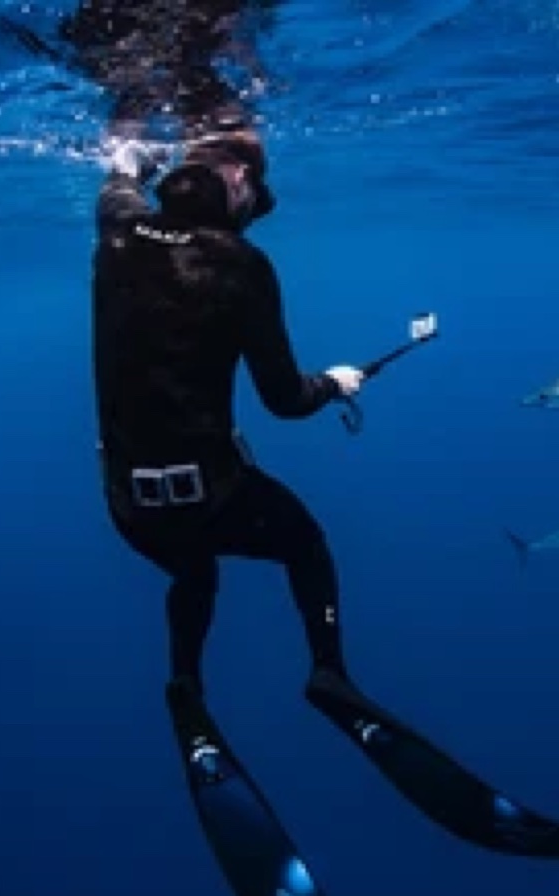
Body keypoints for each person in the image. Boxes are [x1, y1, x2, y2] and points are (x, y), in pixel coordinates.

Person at [93, 126, 365, 702]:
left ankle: (184, 682)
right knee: (305, 545)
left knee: (193, 569)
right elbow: (285, 401)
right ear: (239, 176)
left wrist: (128, 161)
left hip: (128, 509)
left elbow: (118, 183)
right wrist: (334, 383)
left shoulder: (117, 233)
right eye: (253, 193)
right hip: (211, 499)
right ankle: (330, 674)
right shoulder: (241, 263)